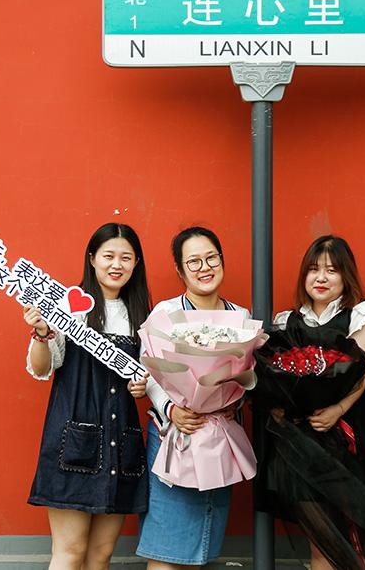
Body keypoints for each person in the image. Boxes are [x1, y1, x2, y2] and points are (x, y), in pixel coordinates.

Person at [258, 235, 365, 570]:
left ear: (346, 275)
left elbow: (362, 373)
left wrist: (337, 410)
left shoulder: (361, 314)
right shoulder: (287, 321)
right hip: (305, 447)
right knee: (324, 543)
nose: (321, 277)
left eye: (331, 270)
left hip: (356, 439)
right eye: (313, 269)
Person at [23, 223, 152, 570]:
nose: (117, 265)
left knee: (101, 555)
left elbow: (149, 376)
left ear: (136, 263)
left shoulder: (142, 315)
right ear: (92, 258)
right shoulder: (66, 306)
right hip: (73, 444)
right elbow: (42, 368)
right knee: (70, 553)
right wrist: (41, 333)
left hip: (121, 444)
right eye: (109, 256)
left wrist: (142, 385)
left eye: (126, 257)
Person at [136, 226, 247, 569]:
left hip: (217, 437)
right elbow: (148, 371)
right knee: (166, 548)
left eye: (211, 258)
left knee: (202, 545)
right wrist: (171, 409)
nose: (205, 268)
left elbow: (246, 374)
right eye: (194, 261)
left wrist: (235, 402)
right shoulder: (166, 313)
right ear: (180, 270)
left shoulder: (240, 316)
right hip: (175, 435)